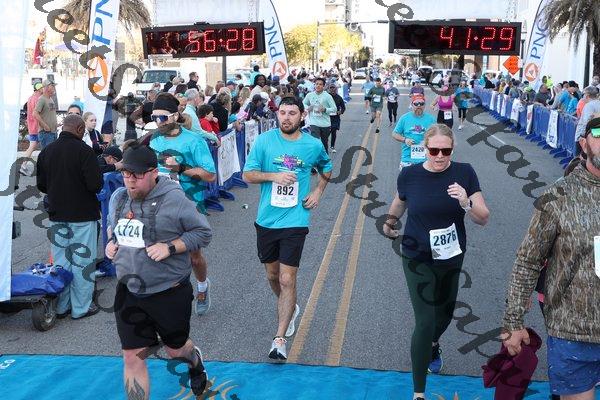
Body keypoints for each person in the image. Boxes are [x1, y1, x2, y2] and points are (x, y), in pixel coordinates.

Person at [384, 124, 490, 400]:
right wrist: (390, 221)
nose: (440, 156)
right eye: (434, 151)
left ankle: (432, 344)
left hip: (450, 255)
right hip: (416, 255)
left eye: (446, 150)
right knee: (425, 320)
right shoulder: (410, 175)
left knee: (444, 313)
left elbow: (483, 217)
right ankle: (418, 392)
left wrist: (466, 202)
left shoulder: (465, 173)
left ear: (453, 149)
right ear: (425, 148)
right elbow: (400, 201)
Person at [502, 117, 600, 400]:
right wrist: (513, 322)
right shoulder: (557, 196)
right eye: (598, 134)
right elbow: (528, 260)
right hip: (573, 331)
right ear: (583, 144)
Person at [106, 144, 211, 399]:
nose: (130, 180)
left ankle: (194, 361)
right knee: (132, 356)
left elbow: (203, 233)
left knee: (176, 351)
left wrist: (170, 247)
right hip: (129, 291)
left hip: (168, 292)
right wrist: (111, 243)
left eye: (137, 174)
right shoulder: (118, 198)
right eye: (126, 174)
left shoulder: (176, 200)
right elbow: (113, 227)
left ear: (154, 172)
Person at [242, 96, 333, 360]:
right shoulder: (264, 141)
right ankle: (290, 306)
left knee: (286, 278)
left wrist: (318, 192)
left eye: (292, 113)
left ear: (302, 116)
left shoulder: (312, 144)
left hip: (296, 220)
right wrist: (274, 176)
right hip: (266, 220)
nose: (286, 117)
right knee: (272, 276)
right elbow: (248, 174)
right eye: (282, 112)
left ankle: (279, 339)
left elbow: (327, 168)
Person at [148, 93, 217, 316]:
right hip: (161, 205)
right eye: (154, 118)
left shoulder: (194, 140)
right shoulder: (154, 139)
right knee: (163, 254)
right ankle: (170, 297)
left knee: (194, 257)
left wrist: (181, 168)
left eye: (162, 118)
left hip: (190, 203)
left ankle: (203, 286)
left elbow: (210, 175)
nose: (158, 122)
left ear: (175, 116)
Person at [36, 115, 103, 320]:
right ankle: (81, 308)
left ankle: (62, 306)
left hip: (57, 213)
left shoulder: (47, 151)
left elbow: (42, 185)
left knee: (61, 262)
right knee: (82, 261)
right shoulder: (85, 151)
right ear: (80, 129)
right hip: (82, 214)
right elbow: (95, 185)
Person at [392, 94, 436, 170]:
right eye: (416, 104)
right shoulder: (404, 118)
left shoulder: (431, 119)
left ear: (424, 105)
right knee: (406, 178)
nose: (419, 106)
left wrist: (429, 142)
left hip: (426, 160)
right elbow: (394, 134)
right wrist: (405, 140)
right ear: (412, 105)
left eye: (421, 103)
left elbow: (437, 136)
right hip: (407, 159)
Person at [302, 77, 337, 154]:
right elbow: (303, 103)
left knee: (324, 144)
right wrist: (308, 108)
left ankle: (325, 159)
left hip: (325, 124)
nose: (318, 86)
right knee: (315, 143)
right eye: (316, 84)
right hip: (314, 123)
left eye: (320, 84)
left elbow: (334, 109)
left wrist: (325, 109)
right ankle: (315, 159)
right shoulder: (310, 95)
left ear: (323, 86)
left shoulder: (327, 96)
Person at [20, 82, 44, 176]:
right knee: (41, 146)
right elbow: (38, 113)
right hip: (37, 127)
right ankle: (24, 166)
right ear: (39, 89)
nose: (44, 89)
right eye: (42, 88)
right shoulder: (38, 99)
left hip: (32, 126)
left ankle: (23, 165)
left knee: (32, 146)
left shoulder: (31, 98)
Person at [34, 79, 58, 149]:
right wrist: (45, 126)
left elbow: (49, 114)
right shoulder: (42, 99)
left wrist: (55, 124)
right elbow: (35, 113)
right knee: (47, 154)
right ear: (46, 87)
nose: (54, 88)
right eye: (52, 86)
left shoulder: (50, 99)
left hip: (53, 132)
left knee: (52, 153)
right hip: (46, 133)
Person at [327, 83, 346, 153]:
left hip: (335, 118)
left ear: (336, 89)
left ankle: (332, 146)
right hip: (327, 117)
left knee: (333, 131)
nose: (332, 89)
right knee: (326, 133)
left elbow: (343, 107)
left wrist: (340, 112)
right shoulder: (326, 97)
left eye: (333, 88)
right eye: (331, 88)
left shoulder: (339, 98)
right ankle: (324, 146)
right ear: (329, 89)